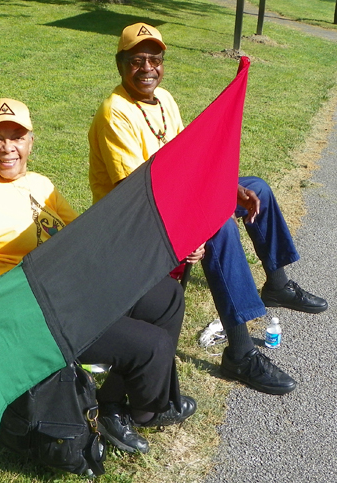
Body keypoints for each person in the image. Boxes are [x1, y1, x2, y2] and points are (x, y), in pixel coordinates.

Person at [0, 97, 196, 455]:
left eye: (17, 137)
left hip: (69, 284)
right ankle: (147, 407)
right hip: (30, 313)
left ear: (31, 141)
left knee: (166, 296)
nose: (8, 148)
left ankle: (114, 405)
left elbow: (84, 232)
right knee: (152, 347)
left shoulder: (40, 184)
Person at [88, 23, 328, 396]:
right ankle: (240, 353)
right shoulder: (114, 112)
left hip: (171, 197)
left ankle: (277, 285)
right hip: (137, 221)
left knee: (256, 188)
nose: (147, 68)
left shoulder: (164, 100)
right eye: (136, 61)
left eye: (155, 59)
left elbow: (188, 163)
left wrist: (230, 189)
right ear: (121, 65)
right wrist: (197, 217)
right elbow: (135, 193)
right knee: (217, 226)